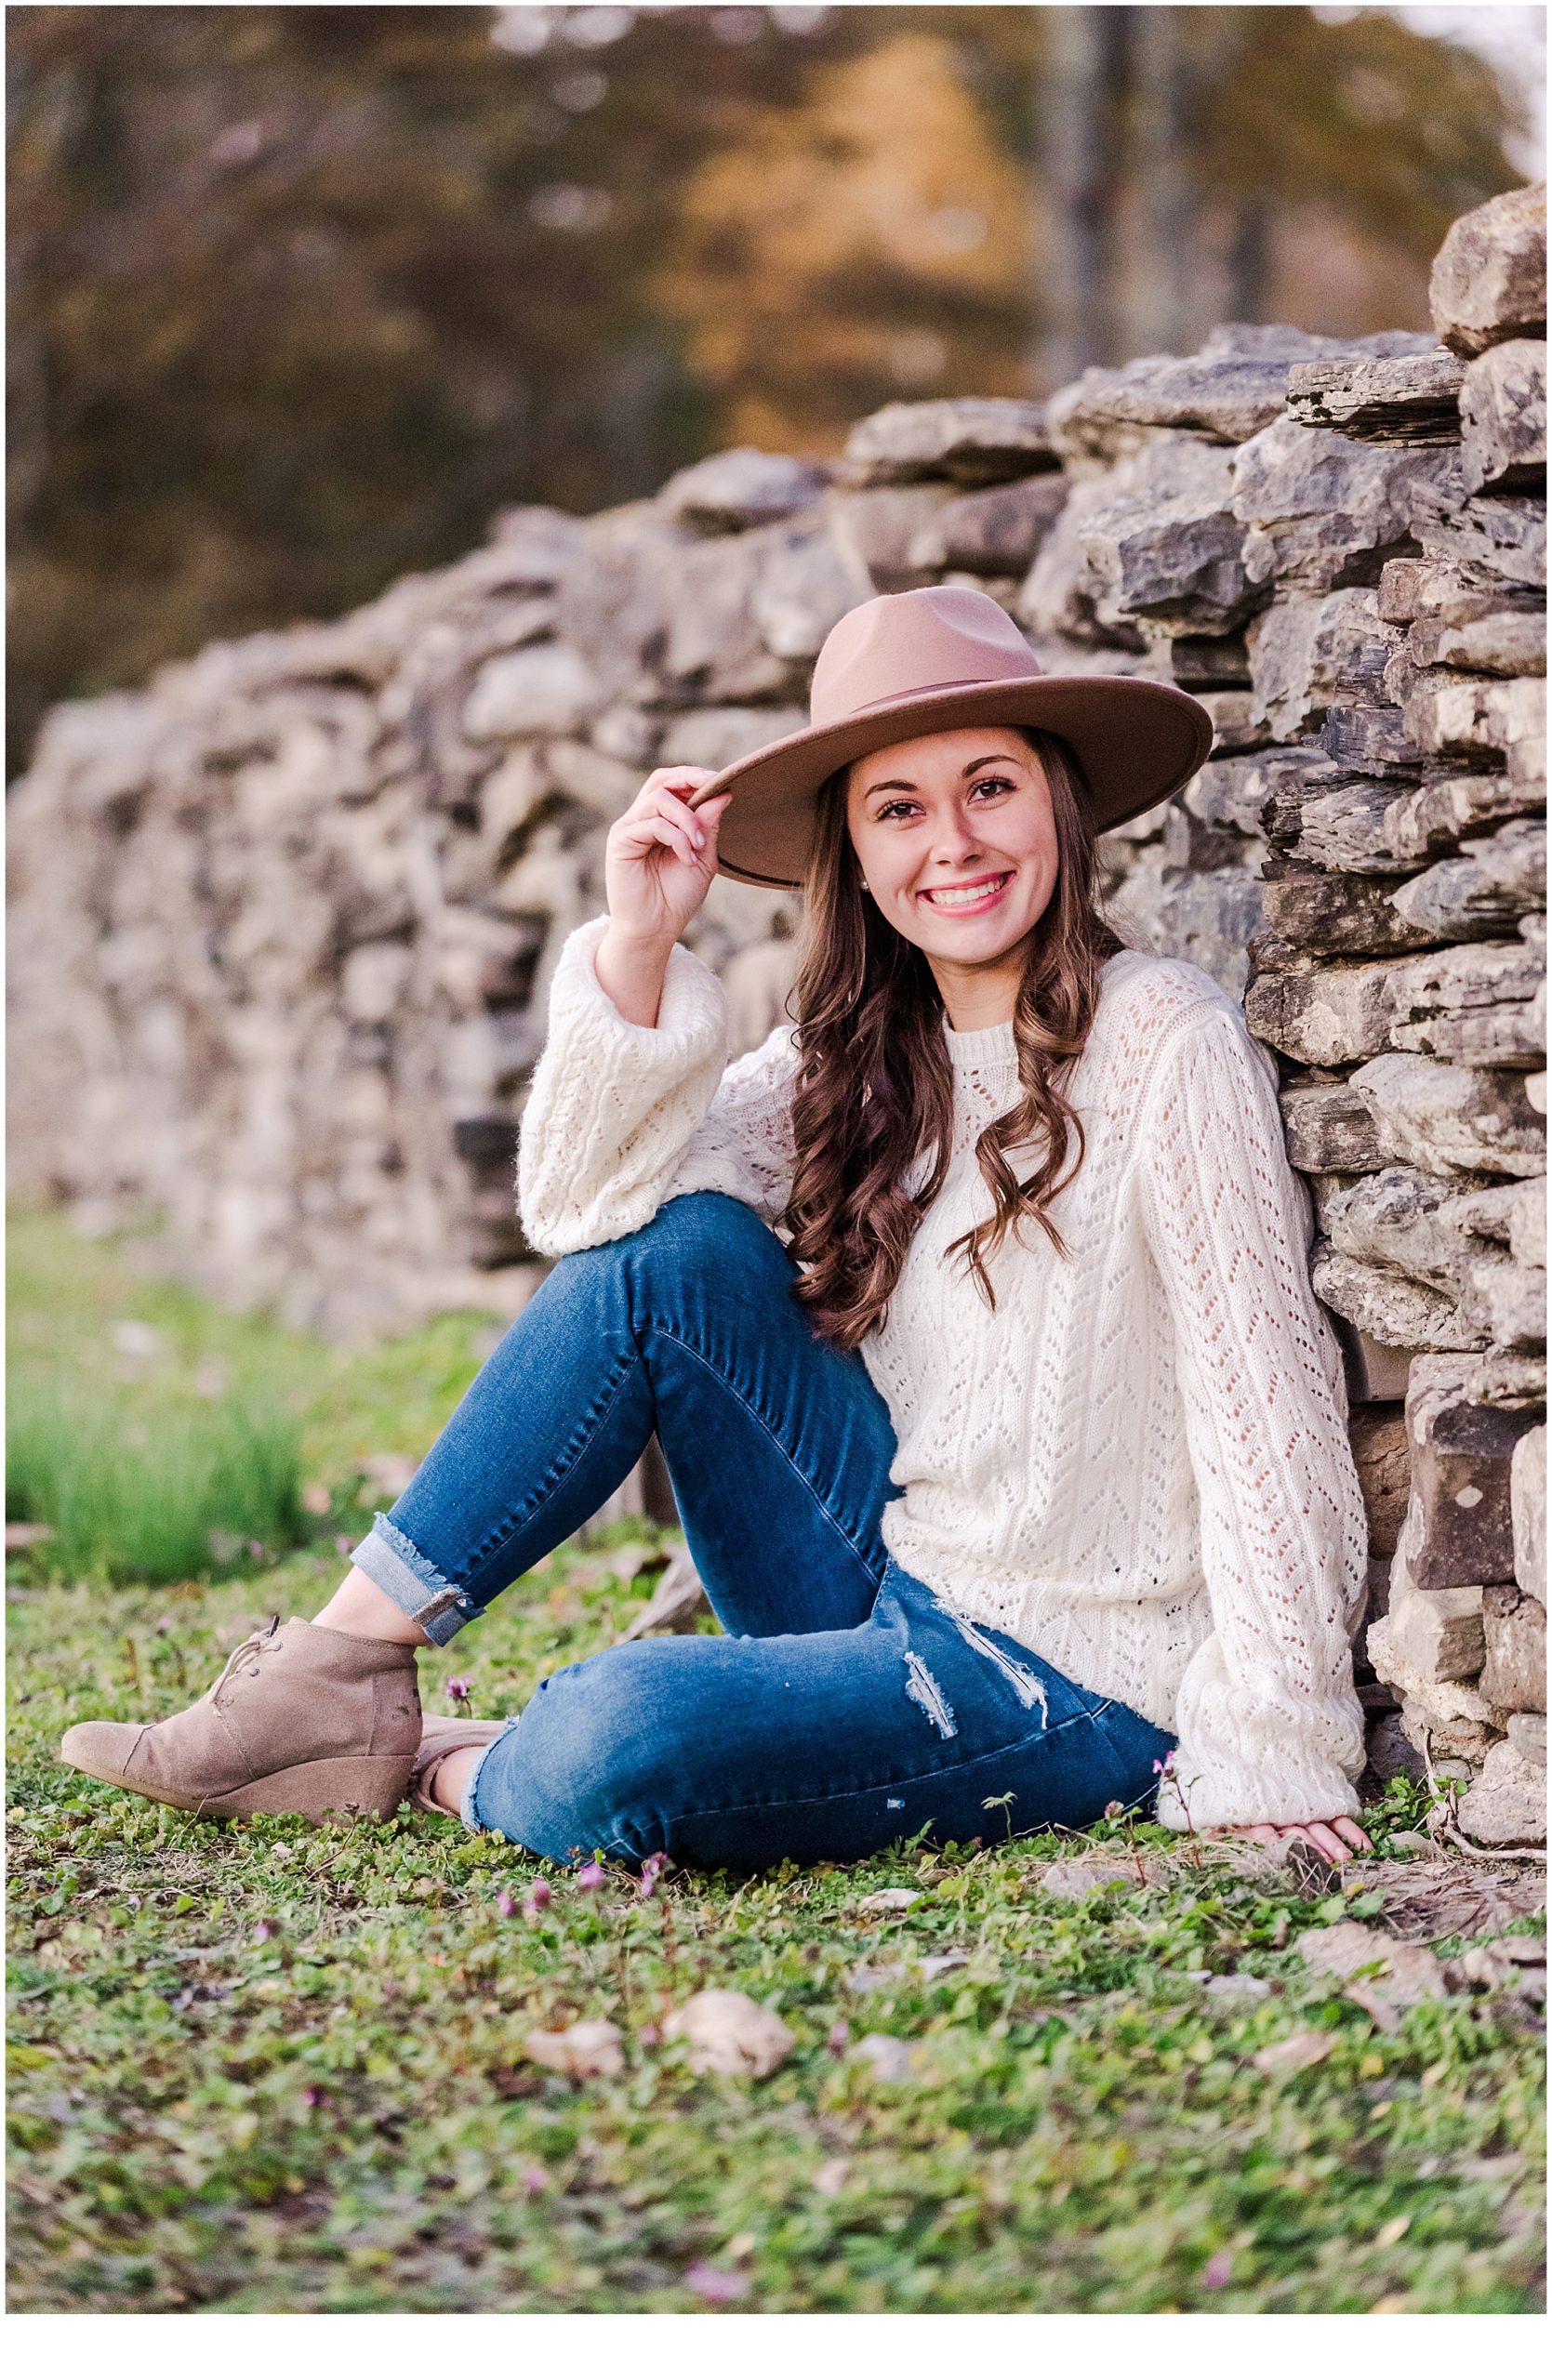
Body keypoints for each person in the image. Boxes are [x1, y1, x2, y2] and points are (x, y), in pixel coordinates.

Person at [61, 586, 1373, 1871]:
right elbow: (590, 1215)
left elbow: (1264, 1402)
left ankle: (442, 1760)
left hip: (1074, 1681)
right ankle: (338, 1668)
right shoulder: (853, 1054)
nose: (952, 843)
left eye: (989, 787)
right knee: (672, 1254)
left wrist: (1275, 1745)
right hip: (884, 1576)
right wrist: (638, 945)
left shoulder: (1161, 1039)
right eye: (897, 809)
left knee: (610, 1732)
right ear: (854, 857)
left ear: (1056, 803)